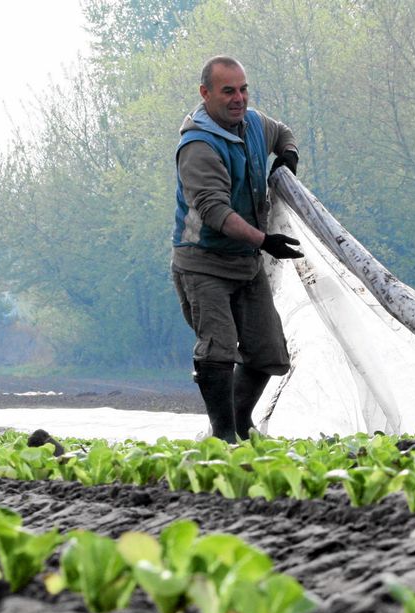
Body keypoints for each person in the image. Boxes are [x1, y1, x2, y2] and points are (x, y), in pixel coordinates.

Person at [172, 55, 303, 442]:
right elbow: (215, 212)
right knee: (218, 350)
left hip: (245, 263)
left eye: (243, 89)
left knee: (269, 352)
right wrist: (266, 242)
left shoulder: (254, 124)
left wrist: (288, 155)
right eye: (228, 90)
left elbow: (282, 132)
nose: (238, 98)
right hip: (203, 263)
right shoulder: (197, 146)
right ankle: (223, 434)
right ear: (206, 93)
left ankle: (239, 422)